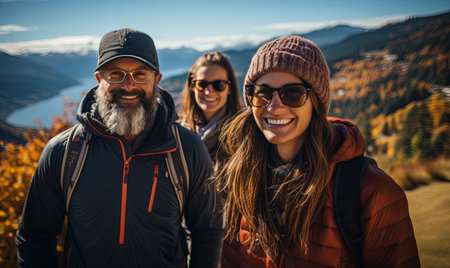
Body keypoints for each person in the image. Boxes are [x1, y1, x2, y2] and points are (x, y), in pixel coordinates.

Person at [15, 28, 223, 268]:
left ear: (156, 79)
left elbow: (207, 232)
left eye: (139, 74)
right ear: (98, 79)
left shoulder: (186, 150)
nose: (127, 85)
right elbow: (34, 239)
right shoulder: (63, 153)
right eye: (115, 74)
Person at [217, 35, 420, 267]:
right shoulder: (241, 178)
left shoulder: (373, 192)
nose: (274, 107)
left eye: (292, 93)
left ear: (316, 102)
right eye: (262, 93)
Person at [179, 52, 243, 169]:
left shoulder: (242, 135)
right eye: (201, 84)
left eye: (219, 85)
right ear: (192, 87)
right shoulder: (178, 134)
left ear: (230, 89)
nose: (208, 92)